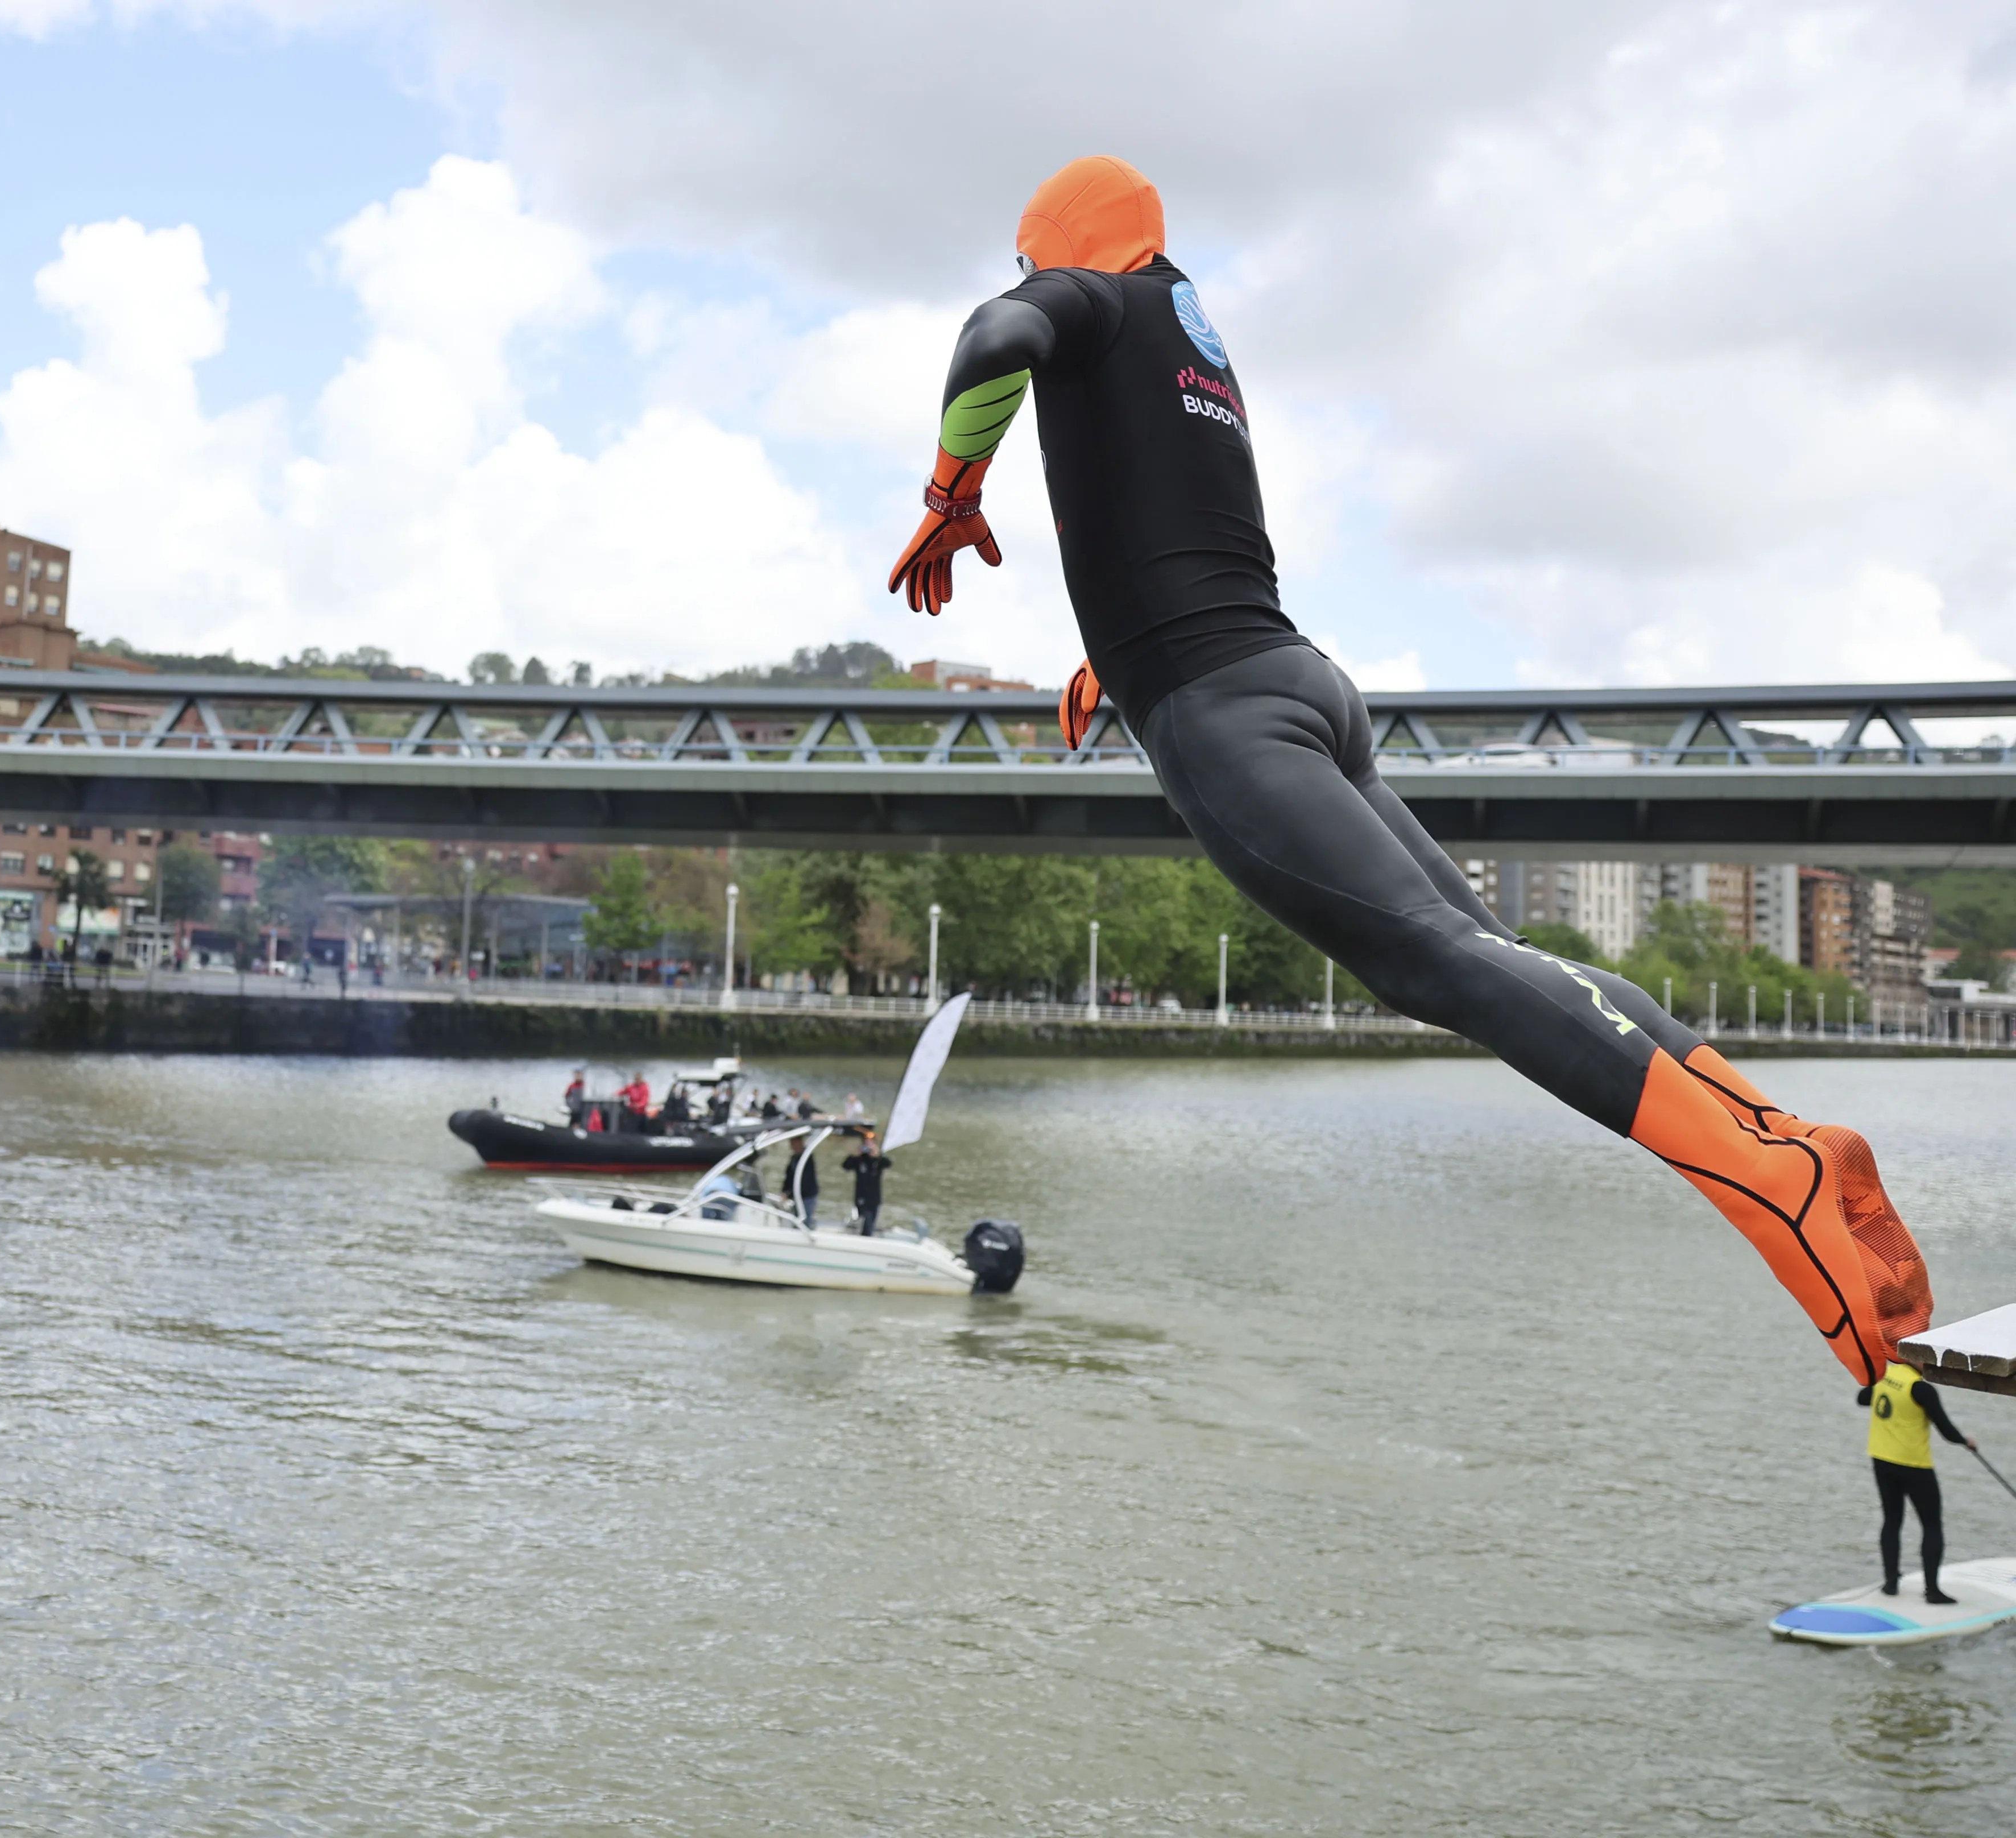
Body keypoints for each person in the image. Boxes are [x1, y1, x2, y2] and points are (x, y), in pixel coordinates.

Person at [890, 154, 1931, 1386]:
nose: (1034, 287)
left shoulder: (1087, 302)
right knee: (1504, 960)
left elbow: (991, 335)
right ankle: (1777, 1125)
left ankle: (1772, 1184)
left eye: (1038, 264)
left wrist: (954, 490)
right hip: (1299, 680)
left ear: (1060, 249)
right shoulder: (1187, 336)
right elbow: (1164, 508)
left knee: (1441, 966)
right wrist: (1112, 654)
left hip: (1226, 710)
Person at [1861, 1360, 1974, 1604]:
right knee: (1932, 1525)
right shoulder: (1920, 1389)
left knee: (1892, 1521)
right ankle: (1932, 1591)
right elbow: (1945, 1429)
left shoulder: (1883, 1376)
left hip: (1882, 1461)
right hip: (1914, 1466)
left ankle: (1891, 1584)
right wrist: (1966, 1442)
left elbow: (1862, 1399)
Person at [842, 1133, 894, 1235]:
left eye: (870, 1142)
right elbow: (845, 1166)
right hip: (861, 1196)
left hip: (874, 1197)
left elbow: (888, 1164)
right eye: (866, 1142)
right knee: (865, 1219)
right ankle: (865, 1236)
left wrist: (878, 1155)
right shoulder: (859, 1159)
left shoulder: (878, 1161)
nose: (868, 1145)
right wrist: (855, 1155)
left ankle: (867, 1236)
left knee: (871, 1220)